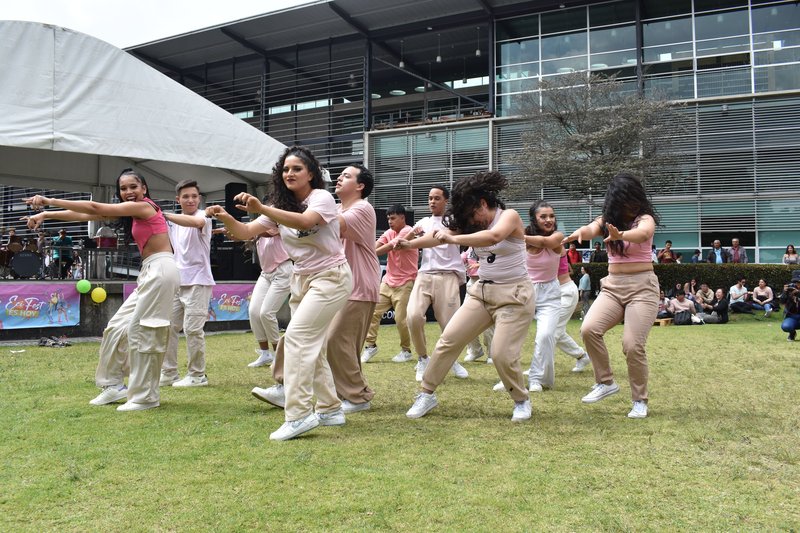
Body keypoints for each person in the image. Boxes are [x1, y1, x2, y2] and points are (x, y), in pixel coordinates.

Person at [207, 146, 352, 441]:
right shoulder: (279, 206)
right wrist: (224, 216)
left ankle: (298, 415)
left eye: (297, 168)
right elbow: (246, 233)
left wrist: (262, 208)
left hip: (331, 278)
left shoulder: (321, 198)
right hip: (301, 280)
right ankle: (330, 409)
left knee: (297, 339)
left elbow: (305, 222)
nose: (290, 173)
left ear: (311, 173)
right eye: (285, 169)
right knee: (311, 344)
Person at [25, 168, 181, 411]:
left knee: (144, 332)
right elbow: (84, 214)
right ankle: (113, 386)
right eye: (123, 188)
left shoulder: (146, 207)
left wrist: (48, 200)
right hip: (150, 271)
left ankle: (145, 396)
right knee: (116, 328)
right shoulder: (131, 211)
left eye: (133, 187)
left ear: (144, 189)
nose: (128, 192)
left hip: (162, 269)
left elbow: (96, 208)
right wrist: (46, 213)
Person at [404, 171, 535, 422]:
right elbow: (436, 237)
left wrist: (454, 238)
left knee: (500, 354)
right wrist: (409, 244)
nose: (472, 220)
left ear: (483, 204)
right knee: (448, 340)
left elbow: (494, 237)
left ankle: (521, 400)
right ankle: (426, 393)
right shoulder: (472, 223)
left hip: (514, 295)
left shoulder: (508, 217)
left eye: (473, 213)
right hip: (481, 293)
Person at [563, 173, 660, 419]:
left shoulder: (644, 219)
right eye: (623, 202)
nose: (629, 206)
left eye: (631, 200)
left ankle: (640, 400)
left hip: (642, 288)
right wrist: (580, 233)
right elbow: (591, 228)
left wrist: (621, 236)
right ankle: (605, 382)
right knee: (589, 329)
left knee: (632, 345)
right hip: (613, 287)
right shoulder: (607, 219)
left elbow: (643, 233)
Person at [396, 186, 469, 382]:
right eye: (430, 198)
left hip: (448, 276)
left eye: (437, 198)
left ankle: (451, 359)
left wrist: (414, 241)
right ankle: (422, 358)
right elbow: (402, 241)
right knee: (412, 316)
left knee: (450, 326)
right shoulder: (422, 222)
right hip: (425, 275)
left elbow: (435, 239)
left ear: (446, 201)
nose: (432, 202)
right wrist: (409, 237)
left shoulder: (454, 222)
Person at [159, 180, 216, 388]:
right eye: (186, 196)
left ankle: (197, 375)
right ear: (178, 200)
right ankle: (169, 372)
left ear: (199, 198)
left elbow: (195, 223)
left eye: (194, 196)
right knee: (167, 328)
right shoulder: (173, 222)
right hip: (176, 281)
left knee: (192, 330)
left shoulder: (204, 216)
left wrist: (162, 214)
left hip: (199, 281)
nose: (190, 200)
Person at [361, 204, 418, 364]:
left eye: (393, 218)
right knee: (372, 312)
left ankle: (406, 351)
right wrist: (368, 250)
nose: (390, 221)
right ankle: (370, 346)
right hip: (387, 282)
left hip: (406, 282)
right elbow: (376, 246)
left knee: (401, 320)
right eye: (388, 218)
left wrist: (368, 253)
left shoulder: (409, 231)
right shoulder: (388, 232)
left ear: (402, 217)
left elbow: (392, 246)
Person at [521, 200, 566, 392]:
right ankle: (509, 377)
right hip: (524, 291)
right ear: (534, 219)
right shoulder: (523, 235)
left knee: (546, 335)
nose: (549, 220)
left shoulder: (557, 236)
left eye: (552, 216)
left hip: (550, 293)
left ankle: (537, 378)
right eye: (543, 216)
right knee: (511, 338)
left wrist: (516, 236)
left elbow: (545, 243)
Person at [243, 226, 291, 368]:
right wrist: (229, 229)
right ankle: (265, 353)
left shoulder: (280, 224)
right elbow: (241, 234)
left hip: (283, 270)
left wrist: (245, 229)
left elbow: (260, 231)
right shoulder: (259, 228)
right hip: (266, 273)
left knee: (266, 313)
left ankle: (279, 355)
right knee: (254, 311)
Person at [461, 246, 494, 363]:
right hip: (472, 283)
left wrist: (480, 264)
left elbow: (497, 260)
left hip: (487, 282)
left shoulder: (489, 245)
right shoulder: (469, 249)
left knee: (488, 323)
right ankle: (475, 350)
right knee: (464, 320)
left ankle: (492, 353)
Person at [780, 271, 800, 341]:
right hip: (792, 316)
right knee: (786, 326)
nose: (797, 285)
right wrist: (784, 292)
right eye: (796, 283)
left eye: (799, 282)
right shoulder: (790, 289)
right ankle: (792, 333)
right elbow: (782, 301)